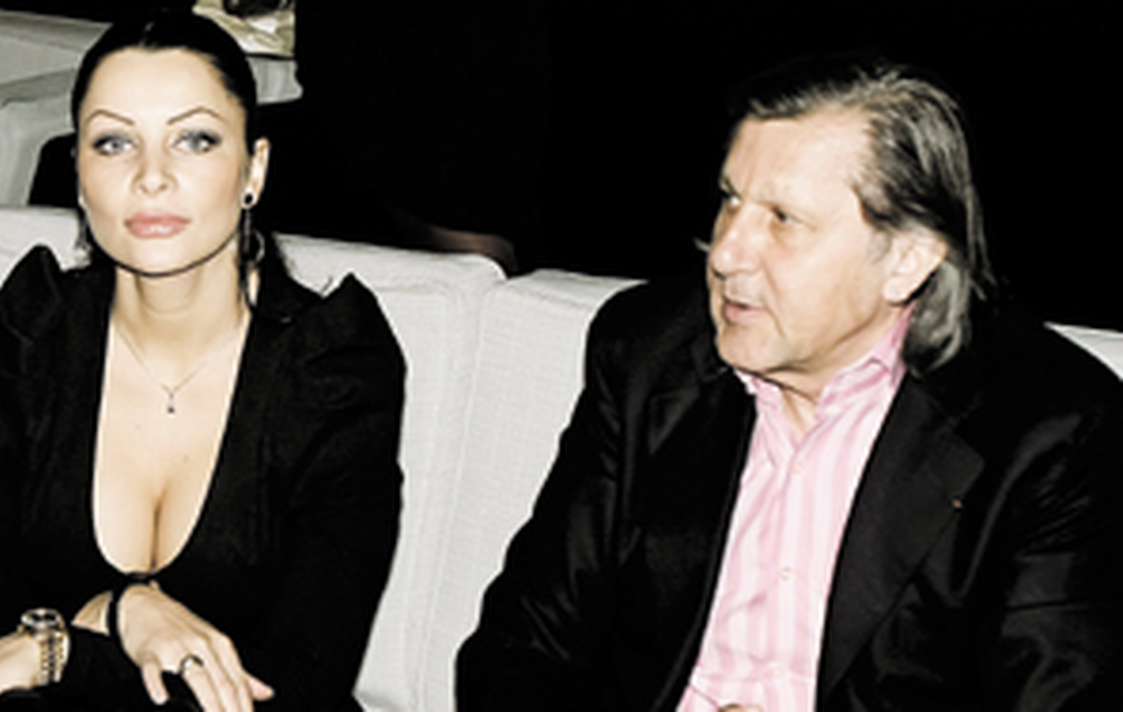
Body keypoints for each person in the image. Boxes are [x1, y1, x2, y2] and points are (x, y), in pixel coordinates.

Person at [456, 54, 1123, 711]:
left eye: (782, 219)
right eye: (731, 201)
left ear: (907, 260)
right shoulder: (647, 359)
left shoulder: (1047, 433)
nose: (725, 253)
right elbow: (519, 654)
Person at [0, 10, 404, 711]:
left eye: (194, 139)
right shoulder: (15, 344)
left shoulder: (333, 370)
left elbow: (296, 686)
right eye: (114, 143)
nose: (151, 177)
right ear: (79, 175)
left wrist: (65, 643)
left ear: (255, 169)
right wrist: (125, 615)